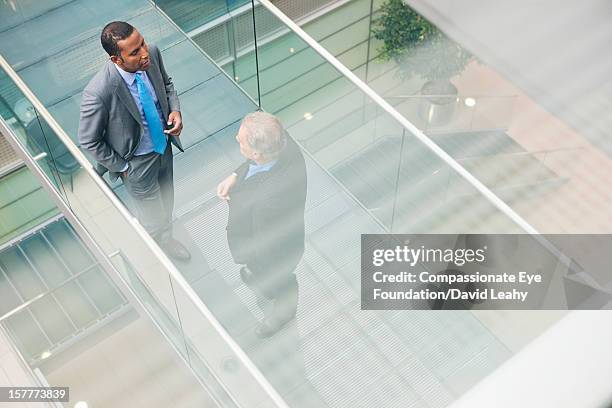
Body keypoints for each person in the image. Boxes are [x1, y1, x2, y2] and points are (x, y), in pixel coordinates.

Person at [78, 21, 190, 261]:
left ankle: (166, 238)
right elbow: (88, 140)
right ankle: (157, 250)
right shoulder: (99, 92)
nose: (144, 53)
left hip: (164, 148)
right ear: (116, 60)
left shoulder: (153, 54)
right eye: (135, 51)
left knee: (167, 200)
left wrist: (175, 110)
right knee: (152, 216)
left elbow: (167, 85)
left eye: (142, 43)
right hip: (136, 164)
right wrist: (124, 168)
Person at [217, 111, 307, 338]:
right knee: (262, 273)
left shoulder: (269, 202)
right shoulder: (282, 143)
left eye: (241, 142)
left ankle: (284, 310)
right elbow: (256, 162)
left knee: (278, 279)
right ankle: (261, 278)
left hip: (274, 251)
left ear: (256, 152)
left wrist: (247, 259)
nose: (237, 140)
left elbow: (263, 242)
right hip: (271, 238)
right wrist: (236, 175)